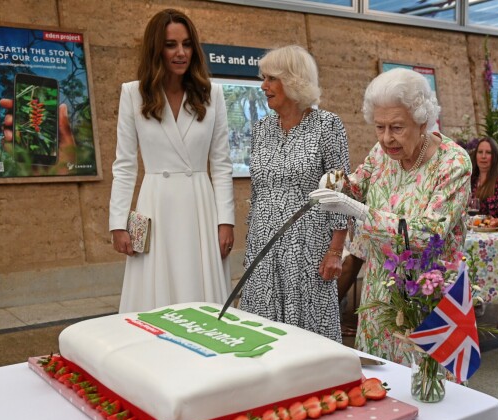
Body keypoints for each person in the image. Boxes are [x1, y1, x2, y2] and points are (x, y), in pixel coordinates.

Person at [311, 67, 472, 364]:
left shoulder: (453, 162)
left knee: (427, 387)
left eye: (397, 127)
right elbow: (358, 184)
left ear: (422, 121)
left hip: (427, 292)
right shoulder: (382, 152)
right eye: (379, 127)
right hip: (380, 289)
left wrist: (359, 211)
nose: (386, 139)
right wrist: (336, 182)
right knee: (380, 380)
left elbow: (429, 233)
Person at [109, 9, 234, 313]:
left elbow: (221, 164)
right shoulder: (133, 94)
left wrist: (225, 221)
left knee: (201, 293)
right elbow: (125, 165)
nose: (181, 52)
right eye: (171, 45)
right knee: (155, 298)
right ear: (156, 49)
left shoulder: (211, 94)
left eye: (187, 44)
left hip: (200, 206)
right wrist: (118, 223)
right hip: (156, 204)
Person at [238, 45, 350, 343]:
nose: (264, 86)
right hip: (264, 245)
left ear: (293, 80)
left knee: (307, 337)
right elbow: (258, 189)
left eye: (271, 79)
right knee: (262, 333)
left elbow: (339, 190)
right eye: (264, 79)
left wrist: (336, 251)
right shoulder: (261, 128)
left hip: (308, 248)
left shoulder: (328, 125)